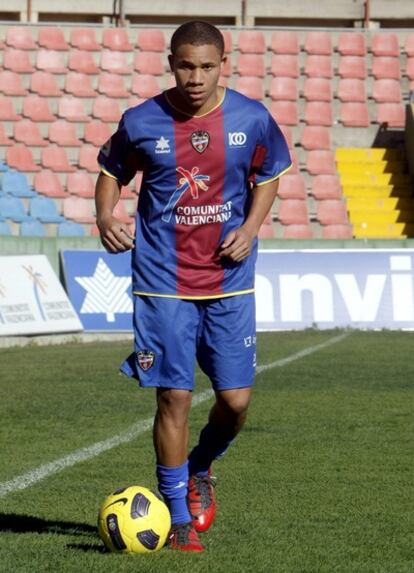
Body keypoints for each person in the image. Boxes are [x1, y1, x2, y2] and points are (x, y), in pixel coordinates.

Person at [95, 20, 291, 552]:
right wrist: (105, 214)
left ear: (222, 63)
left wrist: (250, 229)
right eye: (186, 65)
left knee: (235, 400)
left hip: (228, 281)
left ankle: (201, 465)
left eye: (206, 66)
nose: (195, 77)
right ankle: (178, 519)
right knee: (174, 396)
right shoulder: (141, 120)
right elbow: (112, 169)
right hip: (162, 280)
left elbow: (269, 172)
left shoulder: (251, 118)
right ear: (171, 62)